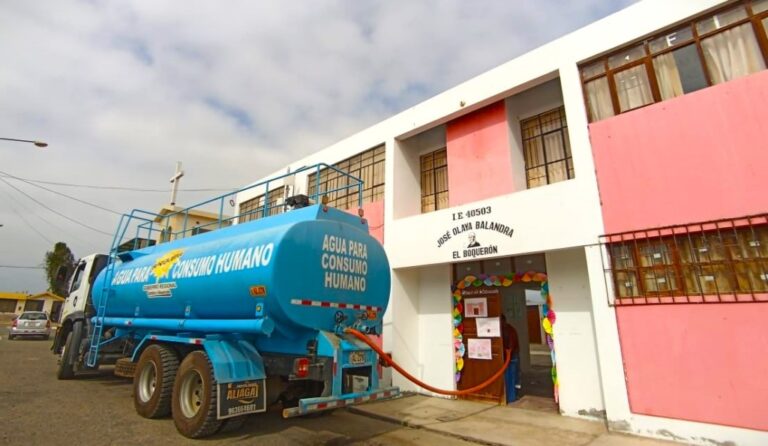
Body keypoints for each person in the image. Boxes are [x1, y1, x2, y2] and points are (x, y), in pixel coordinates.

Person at [500, 313, 520, 403]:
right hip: (508, 357)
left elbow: (511, 344)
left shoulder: (508, 330)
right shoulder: (505, 329)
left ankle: (511, 397)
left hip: (511, 357)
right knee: (509, 377)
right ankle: (510, 397)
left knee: (511, 377)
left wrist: (508, 353)